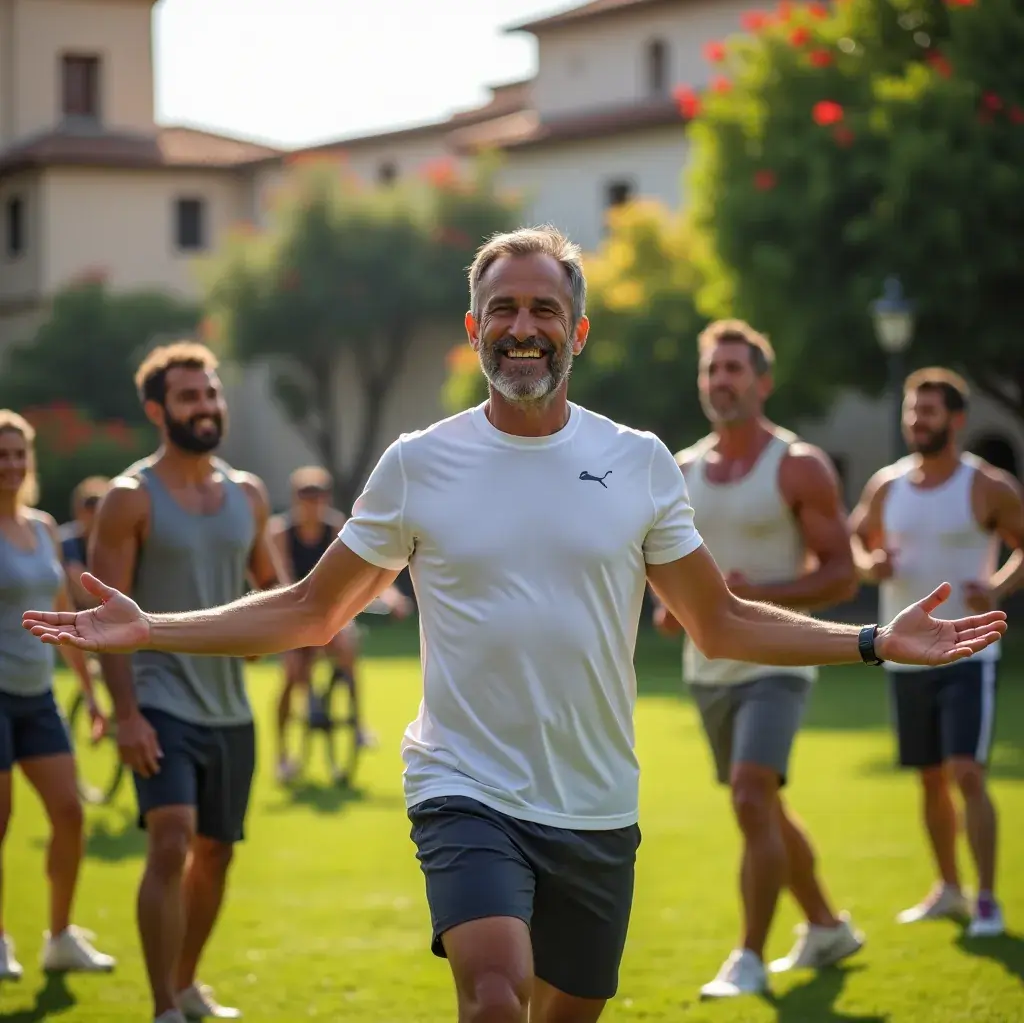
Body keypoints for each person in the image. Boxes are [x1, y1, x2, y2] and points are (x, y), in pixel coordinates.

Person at [23, 227, 1006, 1023]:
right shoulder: (418, 463)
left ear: (577, 332)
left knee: (566, 1006)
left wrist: (873, 641)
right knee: (494, 995)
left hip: (594, 799)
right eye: (502, 309)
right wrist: (150, 627)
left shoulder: (639, 461)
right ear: (474, 328)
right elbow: (310, 608)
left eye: (544, 309)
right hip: (464, 786)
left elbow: (719, 621)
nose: (522, 327)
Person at [654, 319, 864, 998]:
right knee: (761, 804)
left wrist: (755, 596)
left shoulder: (798, 464)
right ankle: (826, 925)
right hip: (707, 667)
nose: (721, 381)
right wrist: (674, 606)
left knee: (750, 794)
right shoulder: (679, 470)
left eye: (734, 369)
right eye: (711, 370)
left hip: (779, 661)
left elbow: (842, 576)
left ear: (762, 383)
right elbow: (668, 571)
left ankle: (748, 957)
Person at [75, 342, 283, 1023]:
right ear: (157, 411)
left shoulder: (248, 494)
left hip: (229, 707)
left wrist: (271, 630)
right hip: (159, 697)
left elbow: (271, 584)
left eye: (212, 394)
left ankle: (188, 983)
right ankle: (163, 1006)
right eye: (190, 397)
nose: (207, 407)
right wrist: (126, 714)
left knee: (216, 854)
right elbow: (103, 618)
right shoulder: (129, 499)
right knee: (171, 840)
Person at [850, 367, 1022, 939]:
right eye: (911, 411)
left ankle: (988, 900)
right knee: (929, 778)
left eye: (927, 411)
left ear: (956, 419)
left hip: (970, 652)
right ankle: (949, 889)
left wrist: (997, 585)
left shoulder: (988, 486)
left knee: (966, 772)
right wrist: (869, 565)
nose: (916, 421)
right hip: (905, 655)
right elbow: (854, 539)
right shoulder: (887, 485)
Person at [0, 411, 114, 981]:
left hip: (38, 694)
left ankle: (60, 937)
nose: (11, 464)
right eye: (2, 455)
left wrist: (90, 694)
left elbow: (63, 617)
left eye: (19, 453)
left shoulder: (44, 527)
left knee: (69, 813)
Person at [268, 465, 411, 783]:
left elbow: (365, 568)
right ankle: (282, 755)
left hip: (329, 614)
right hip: (294, 614)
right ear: (295, 499)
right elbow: (281, 579)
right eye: (306, 496)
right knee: (292, 674)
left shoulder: (336, 528)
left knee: (347, 648)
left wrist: (391, 599)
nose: (313, 503)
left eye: (319, 496)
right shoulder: (280, 532)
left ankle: (358, 725)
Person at [59, 476, 110, 609]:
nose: (95, 511)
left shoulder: (123, 545)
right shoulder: (63, 544)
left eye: (101, 503)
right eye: (89, 504)